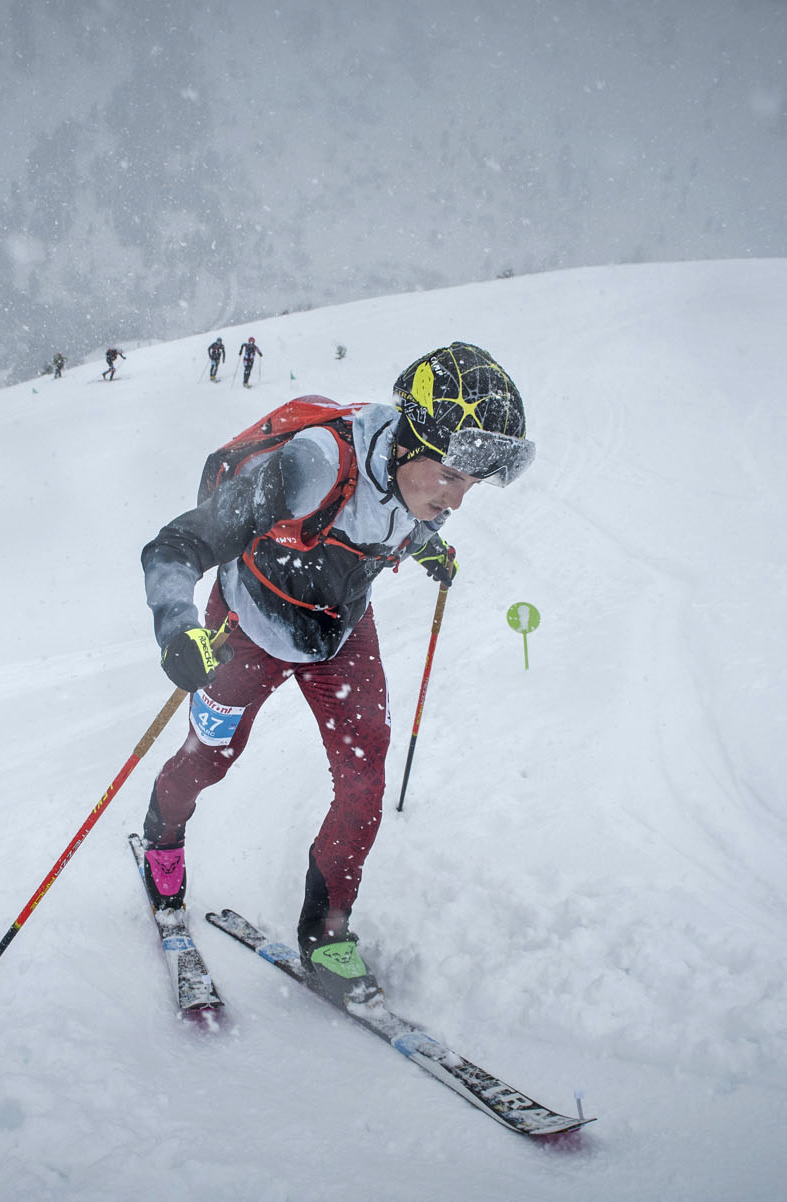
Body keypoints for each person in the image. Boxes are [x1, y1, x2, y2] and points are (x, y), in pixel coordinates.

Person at [137, 342, 535, 1004]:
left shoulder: (417, 487)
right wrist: (177, 629)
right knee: (210, 758)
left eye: (470, 486)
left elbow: (395, 517)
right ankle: (162, 846)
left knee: (363, 782)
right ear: (411, 442)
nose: (457, 500)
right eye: (451, 479)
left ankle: (326, 935)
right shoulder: (313, 464)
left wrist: (431, 548)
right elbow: (175, 546)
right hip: (247, 629)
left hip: (338, 637)